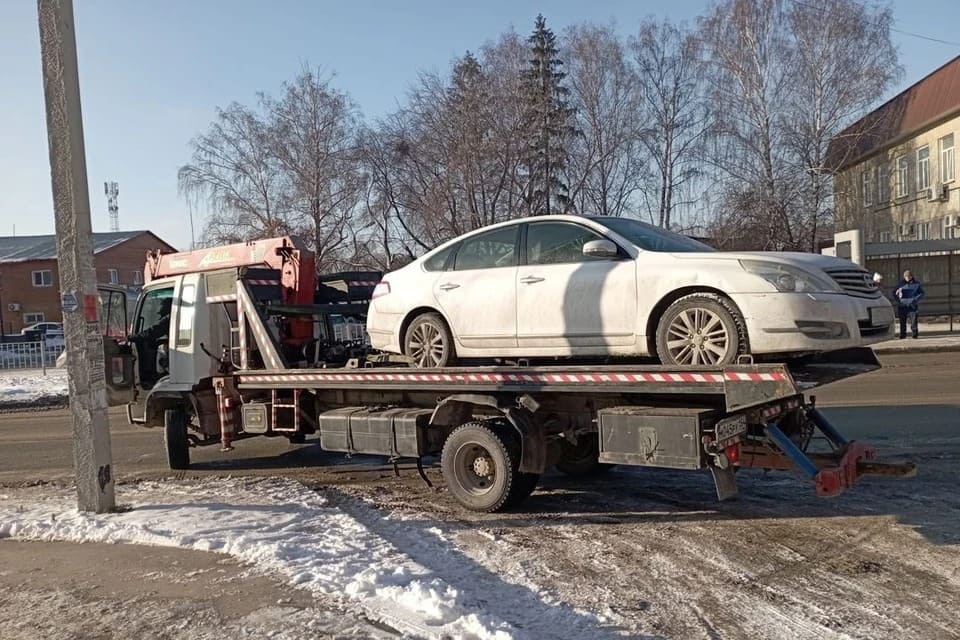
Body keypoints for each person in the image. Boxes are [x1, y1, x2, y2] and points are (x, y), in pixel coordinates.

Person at [893, 270, 924, 339]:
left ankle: (915, 334)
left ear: (911, 276)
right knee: (902, 321)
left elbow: (921, 293)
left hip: (912, 305)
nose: (907, 277)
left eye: (909, 276)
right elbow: (894, 293)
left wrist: (915, 300)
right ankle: (903, 334)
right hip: (902, 305)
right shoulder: (900, 284)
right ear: (904, 277)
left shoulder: (916, 284)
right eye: (906, 276)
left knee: (914, 321)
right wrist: (899, 301)